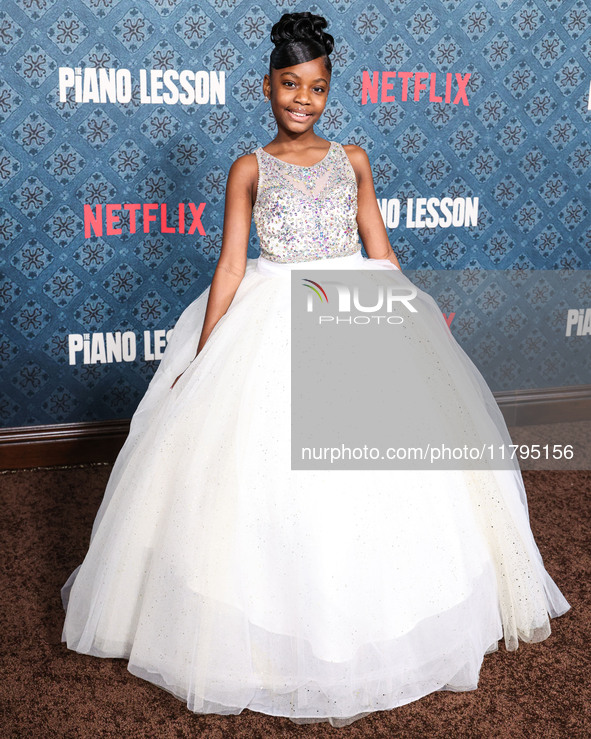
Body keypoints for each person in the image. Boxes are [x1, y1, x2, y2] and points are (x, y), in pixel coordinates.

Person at [61, 11, 571, 728]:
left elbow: (379, 248)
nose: (303, 99)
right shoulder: (249, 167)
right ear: (264, 85)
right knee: (265, 476)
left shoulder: (352, 158)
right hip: (273, 308)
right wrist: (203, 359)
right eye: (290, 84)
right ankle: (267, 631)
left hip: (349, 304)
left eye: (318, 87)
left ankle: (378, 619)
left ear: (331, 91)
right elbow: (233, 264)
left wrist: (412, 320)